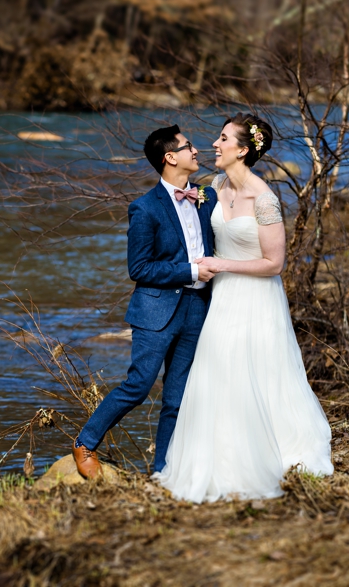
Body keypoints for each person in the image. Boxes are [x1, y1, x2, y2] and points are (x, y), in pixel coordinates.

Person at [153, 113, 333, 502]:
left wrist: (222, 265)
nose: (214, 145)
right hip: (221, 299)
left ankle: (272, 451)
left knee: (257, 372)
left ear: (243, 150)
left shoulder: (264, 199)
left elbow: (275, 264)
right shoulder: (216, 185)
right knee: (219, 372)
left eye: (222, 139)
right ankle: (218, 455)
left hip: (256, 298)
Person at [73, 125, 218, 478]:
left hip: (198, 309)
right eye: (188, 146)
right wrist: (189, 271)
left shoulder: (206, 197)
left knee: (177, 397)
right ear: (170, 158)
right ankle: (85, 442)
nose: (196, 151)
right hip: (156, 311)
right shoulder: (144, 208)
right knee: (138, 385)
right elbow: (139, 268)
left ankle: (162, 471)